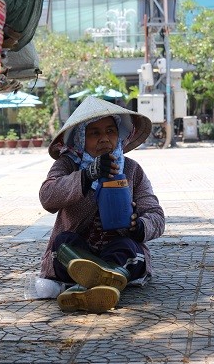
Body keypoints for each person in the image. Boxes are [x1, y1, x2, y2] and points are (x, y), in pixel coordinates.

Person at [39, 96, 165, 313]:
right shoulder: (68, 164)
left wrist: (139, 226)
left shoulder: (132, 169)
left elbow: (155, 214)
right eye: (94, 133)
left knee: (131, 251)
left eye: (110, 131)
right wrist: (87, 175)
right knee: (63, 245)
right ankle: (107, 282)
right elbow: (47, 196)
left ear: (119, 135)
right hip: (77, 251)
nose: (104, 139)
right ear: (80, 139)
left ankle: (86, 287)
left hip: (116, 249)